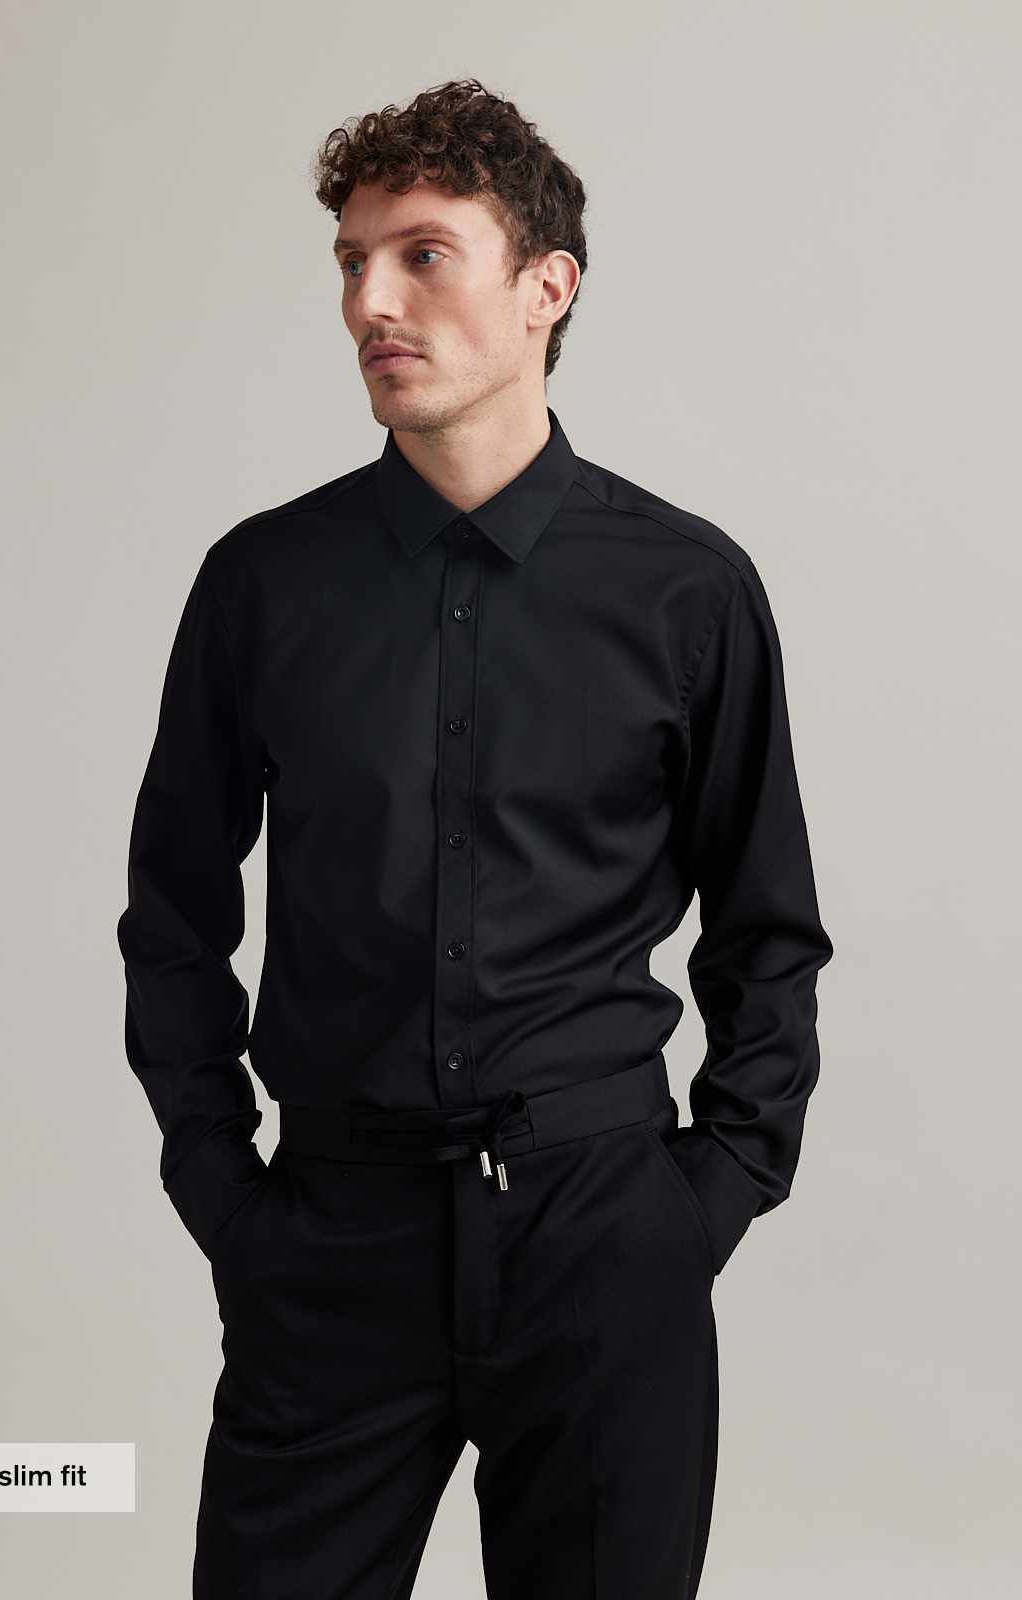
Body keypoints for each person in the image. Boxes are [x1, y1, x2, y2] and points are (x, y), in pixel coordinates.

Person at [116, 75, 834, 1599]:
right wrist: (221, 1189)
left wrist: (707, 1196)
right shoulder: (263, 584)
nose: (369, 302)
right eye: (351, 262)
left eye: (423, 255)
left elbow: (768, 925)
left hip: (603, 1240)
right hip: (331, 1243)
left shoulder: (686, 591)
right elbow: (173, 909)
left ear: (545, 289)